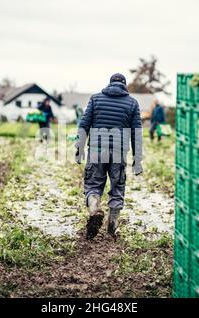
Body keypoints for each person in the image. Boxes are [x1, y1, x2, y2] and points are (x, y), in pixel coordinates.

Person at [75, 73, 143, 240]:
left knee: (93, 184)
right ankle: (112, 228)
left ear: (110, 83)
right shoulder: (132, 103)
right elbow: (137, 134)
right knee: (117, 188)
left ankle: (94, 209)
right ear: (125, 85)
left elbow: (84, 124)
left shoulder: (95, 99)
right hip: (119, 152)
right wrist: (137, 158)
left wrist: (80, 147)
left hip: (97, 149)